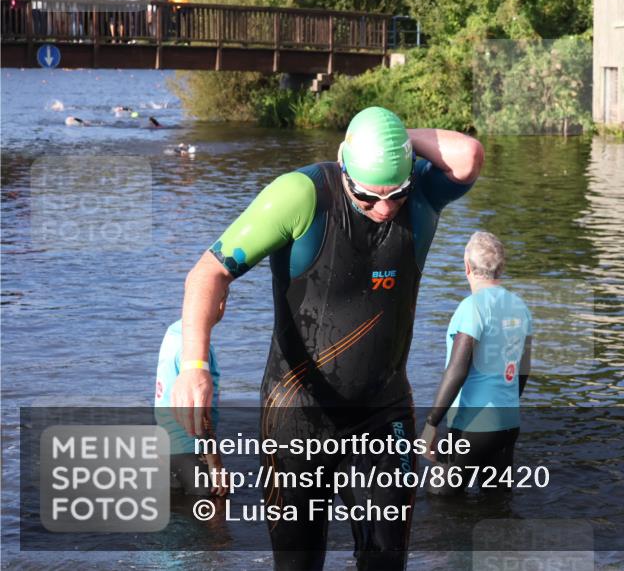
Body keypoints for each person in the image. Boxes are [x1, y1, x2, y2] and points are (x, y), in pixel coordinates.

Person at [172, 106, 483, 570]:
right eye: (366, 195)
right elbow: (208, 273)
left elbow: (468, 155)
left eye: (394, 194)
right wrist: (194, 367)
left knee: (385, 562)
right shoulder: (299, 195)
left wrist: (394, 138)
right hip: (296, 417)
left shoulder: (420, 194)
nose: (383, 208)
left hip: (383, 412)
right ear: (344, 165)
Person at [420, 231, 532, 491]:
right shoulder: (520, 306)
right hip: (508, 423)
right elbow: (523, 370)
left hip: (472, 425)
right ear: (501, 268)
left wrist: (431, 424)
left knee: (441, 502)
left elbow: (457, 371)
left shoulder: (472, 308)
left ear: (467, 266)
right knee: (496, 504)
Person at [154, 292, 228, 497]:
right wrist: (216, 463)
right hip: (191, 452)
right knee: (214, 519)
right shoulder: (196, 350)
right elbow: (200, 411)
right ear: (220, 304)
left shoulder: (173, 333)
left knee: (178, 522)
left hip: (165, 450)